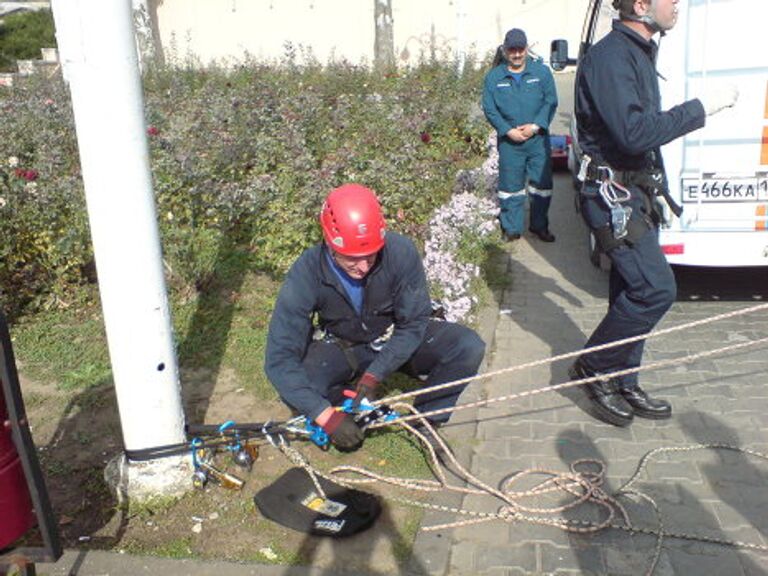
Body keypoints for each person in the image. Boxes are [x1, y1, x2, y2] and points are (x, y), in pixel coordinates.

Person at [571, 0, 738, 426]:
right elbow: (633, 133)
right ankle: (592, 368)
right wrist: (700, 109)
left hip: (633, 190)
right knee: (655, 289)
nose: (677, 4)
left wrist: (656, 186)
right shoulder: (611, 57)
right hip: (610, 195)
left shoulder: (639, 51)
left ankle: (622, 378)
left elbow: (639, 140)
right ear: (642, 5)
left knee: (629, 289)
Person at [264, 184, 486, 451]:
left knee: (467, 346)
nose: (363, 266)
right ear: (329, 243)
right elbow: (279, 359)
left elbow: (414, 322)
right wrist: (326, 417)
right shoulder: (307, 272)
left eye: (371, 256)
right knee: (303, 385)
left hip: (392, 337)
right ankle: (343, 407)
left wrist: (375, 374)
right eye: (352, 258)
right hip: (342, 344)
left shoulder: (400, 252)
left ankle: (428, 422)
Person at [482, 28, 558, 243]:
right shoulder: (494, 77)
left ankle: (539, 226)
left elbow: (550, 101)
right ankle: (512, 229)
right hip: (510, 143)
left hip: (537, 140)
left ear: (526, 49)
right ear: (505, 51)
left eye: (520, 49)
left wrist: (535, 126)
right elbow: (489, 109)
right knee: (510, 188)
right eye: (512, 50)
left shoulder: (541, 73)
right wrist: (508, 131)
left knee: (541, 186)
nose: (516, 54)